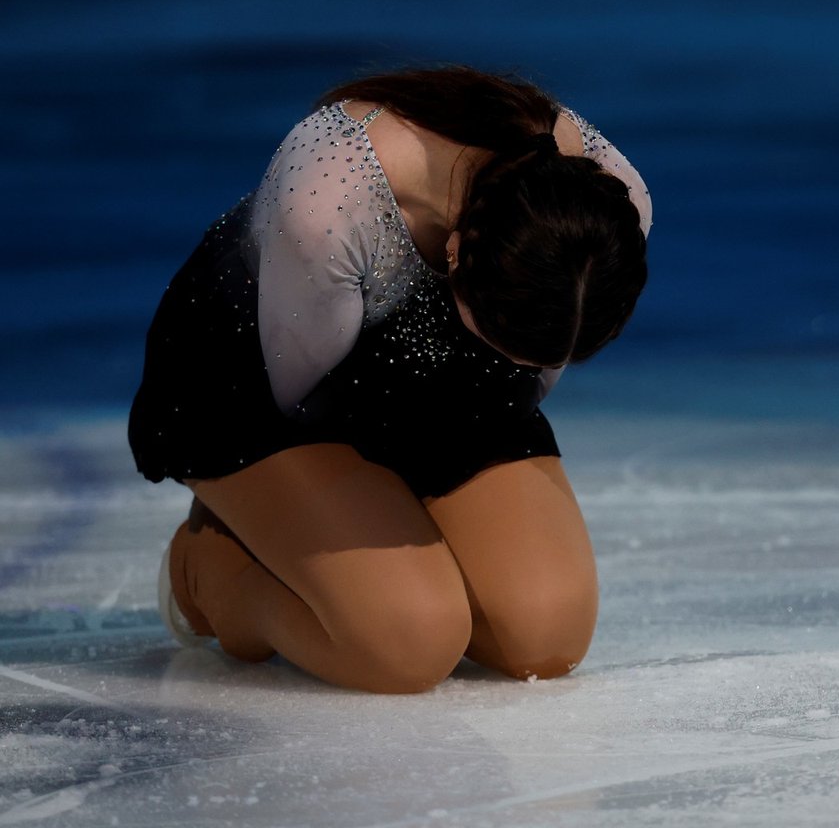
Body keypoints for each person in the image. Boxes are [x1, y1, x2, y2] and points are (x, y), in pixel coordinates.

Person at [127, 66, 651, 693]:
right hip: (264, 390)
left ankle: (370, 559)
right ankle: (210, 568)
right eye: (513, 349)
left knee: (545, 640)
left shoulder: (611, 201)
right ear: (454, 256)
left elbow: (526, 378)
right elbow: (299, 394)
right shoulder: (329, 199)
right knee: (407, 644)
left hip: (452, 382)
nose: (534, 371)